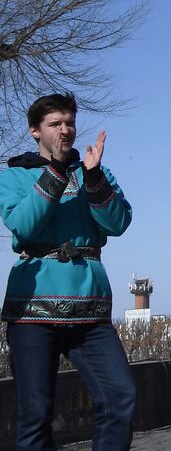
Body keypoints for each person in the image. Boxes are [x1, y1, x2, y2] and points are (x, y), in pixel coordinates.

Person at [1, 93, 136, 451]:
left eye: (69, 123)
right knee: (35, 416)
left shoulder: (95, 171)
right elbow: (24, 225)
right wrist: (57, 171)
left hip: (90, 309)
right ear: (35, 131)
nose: (65, 130)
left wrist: (92, 178)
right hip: (33, 309)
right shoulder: (14, 175)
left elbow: (118, 222)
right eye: (55, 124)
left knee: (120, 397)